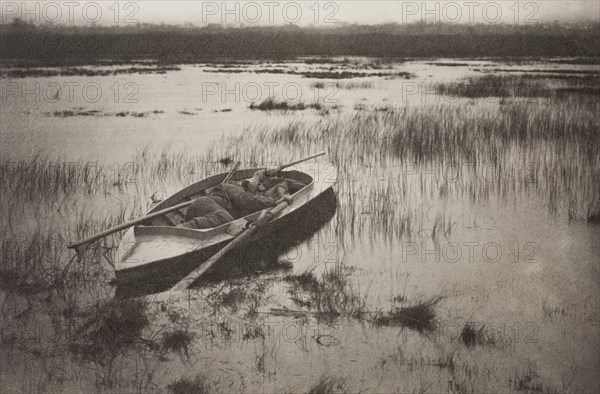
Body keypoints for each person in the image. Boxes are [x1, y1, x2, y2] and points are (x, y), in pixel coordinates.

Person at [179, 170, 291, 229]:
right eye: (254, 181)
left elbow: (282, 186)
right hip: (203, 204)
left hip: (207, 215)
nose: (256, 185)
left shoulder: (248, 198)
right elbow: (249, 200)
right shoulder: (232, 186)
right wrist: (275, 202)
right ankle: (183, 228)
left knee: (227, 222)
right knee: (226, 219)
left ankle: (189, 228)